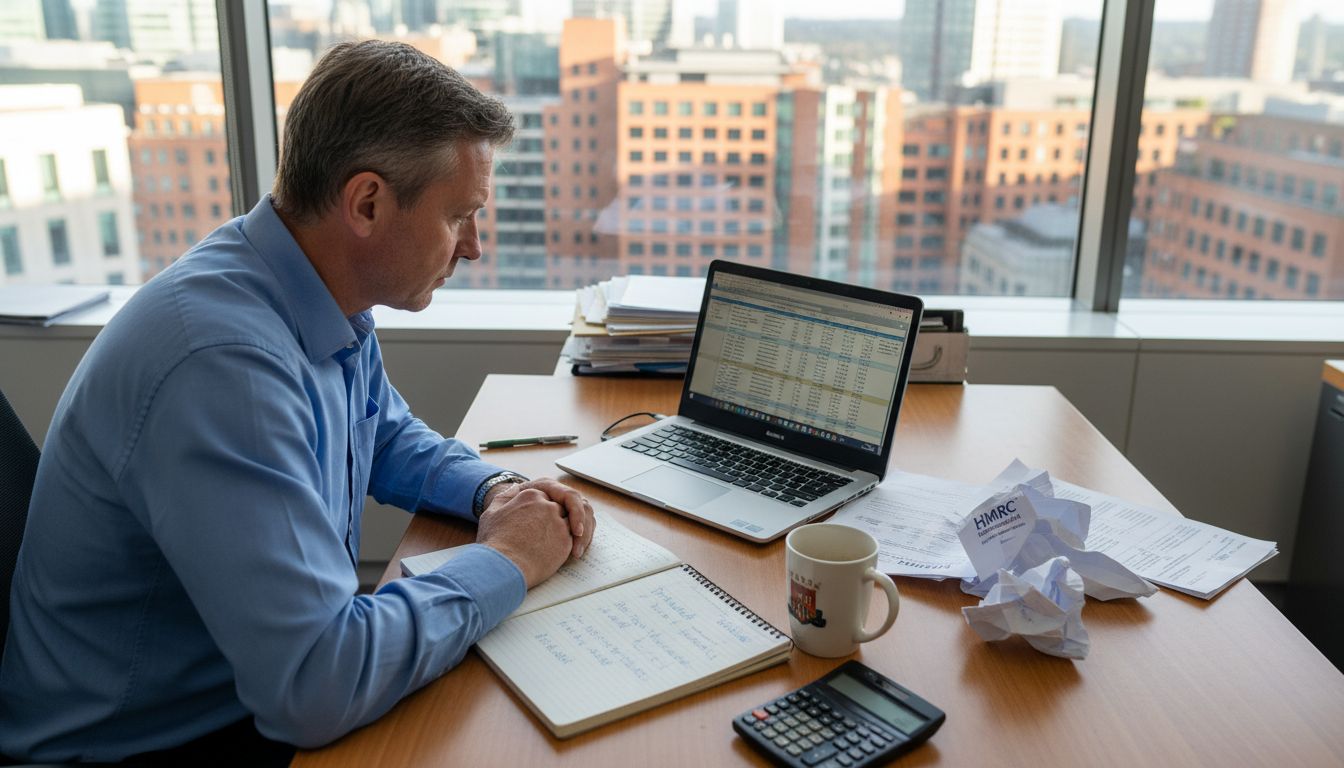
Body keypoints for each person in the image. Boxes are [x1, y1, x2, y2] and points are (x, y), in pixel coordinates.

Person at [0, 40, 594, 764]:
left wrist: (496, 492)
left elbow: (382, 435)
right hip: (141, 746)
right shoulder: (222, 365)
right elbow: (317, 685)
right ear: (367, 203)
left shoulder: (308, 286)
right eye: (459, 216)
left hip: (242, 691)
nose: (472, 247)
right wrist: (509, 559)